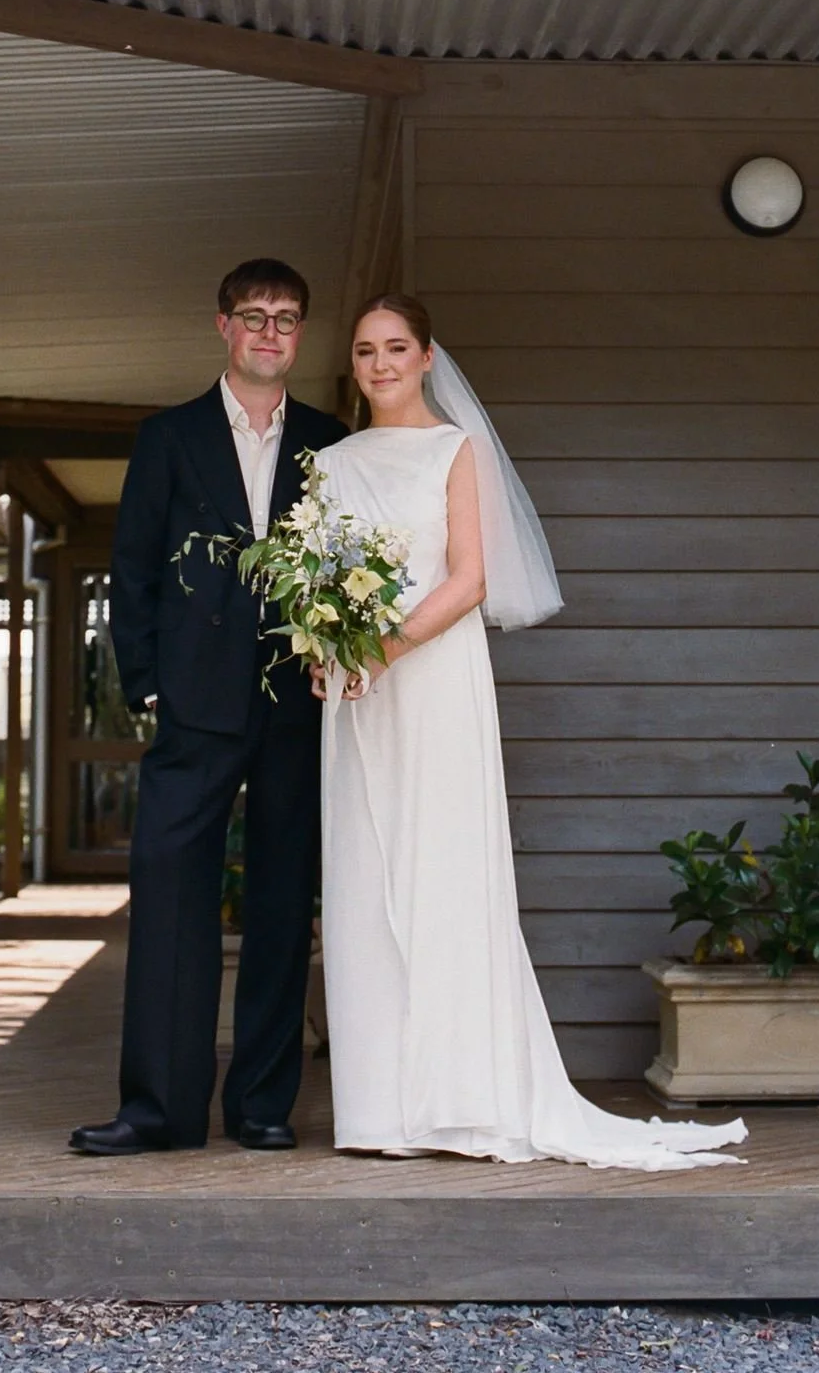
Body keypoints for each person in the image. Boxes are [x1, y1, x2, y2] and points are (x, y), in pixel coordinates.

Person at [313, 293, 748, 1170]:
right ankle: (381, 1110)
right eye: (365, 350)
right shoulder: (331, 462)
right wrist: (326, 648)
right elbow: (316, 577)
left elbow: (471, 578)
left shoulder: (456, 450)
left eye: (397, 347)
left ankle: (463, 1099)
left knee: (444, 870)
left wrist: (385, 648)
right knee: (364, 873)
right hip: (356, 694)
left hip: (431, 680)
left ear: (428, 356)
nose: (381, 363)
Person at [69, 259, 348, 1156]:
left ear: (300, 334)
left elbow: (348, 566)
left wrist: (335, 660)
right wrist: (145, 680)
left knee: (279, 904)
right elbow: (134, 570)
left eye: (288, 318)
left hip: (295, 704)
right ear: (223, 326)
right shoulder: (169, 436)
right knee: (169, 897)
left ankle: (263, 1104)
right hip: (193, 702)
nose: (271, 332)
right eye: (255, 316)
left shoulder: (331, 443)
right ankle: (159, 1110)